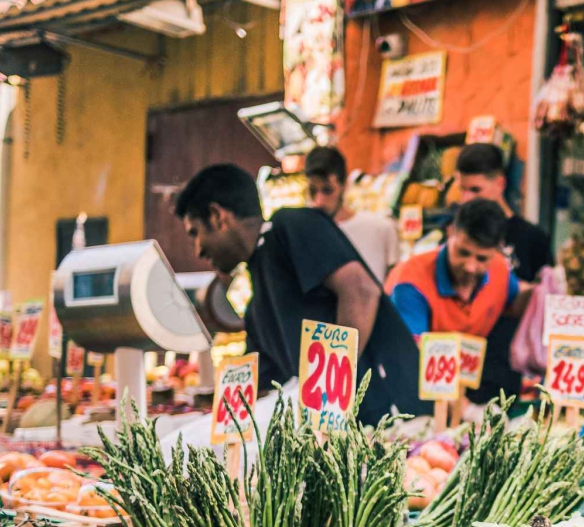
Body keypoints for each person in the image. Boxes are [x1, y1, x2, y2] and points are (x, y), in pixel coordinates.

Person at [176, 163, 425, 424]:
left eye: (195, 233)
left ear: (218, 216)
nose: (198, 251)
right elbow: (262, 384)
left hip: (393, 421)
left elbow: (361, 291)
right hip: (337, 439)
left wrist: (327, 394)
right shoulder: (257, 298)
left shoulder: (289, 226)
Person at [386, 198, 532, 342]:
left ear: (497, 249)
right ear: (450, 232)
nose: (470, 267)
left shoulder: (499, 269)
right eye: (463, 253)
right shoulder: (411, 281)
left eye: (482, 259)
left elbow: (519, 297)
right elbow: (408, 356)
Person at [454, 143, 553, 282]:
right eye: (462, 190)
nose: (466, 199)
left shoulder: (533, 239)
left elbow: (544, 295)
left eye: (475, 190)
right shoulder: (455, 232)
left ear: (500, 184)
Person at [304, 146, 399, 281]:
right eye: (313, 191)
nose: (319, 201)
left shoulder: (382, 229)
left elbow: (393, 286)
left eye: (327, 190)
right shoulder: (303, 236)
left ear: (345, 185)